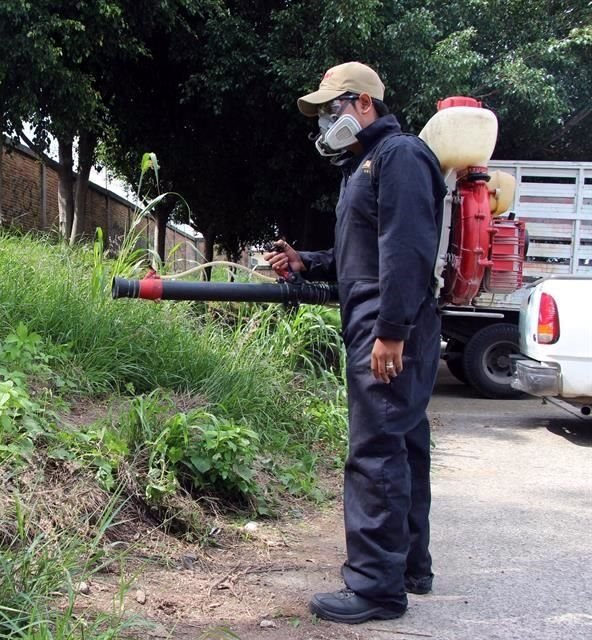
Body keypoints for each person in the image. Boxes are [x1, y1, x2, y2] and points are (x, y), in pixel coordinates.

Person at [265, 62, 447, 624]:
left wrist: (390, 332)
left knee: (375, 453)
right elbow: (361, 257)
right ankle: (409, 567)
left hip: (390, 322)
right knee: (404, 445)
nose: (324, 122)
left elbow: (407, 249)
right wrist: (308, 261)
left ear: (361, 103)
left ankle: (374, 588)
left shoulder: (400, 156)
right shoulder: (364, 166)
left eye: (330, 109)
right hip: (383, 312)